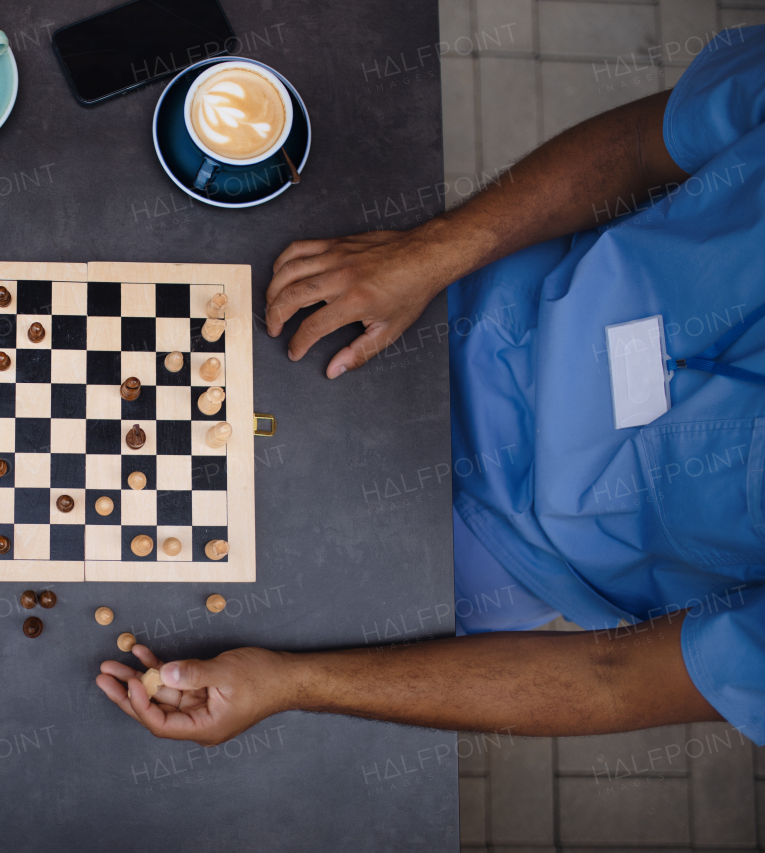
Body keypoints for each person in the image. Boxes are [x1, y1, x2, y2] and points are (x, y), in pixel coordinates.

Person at [97, 27, 765, 745]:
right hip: (458, 303)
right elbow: (643, 145)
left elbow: (614, 679)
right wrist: (434, 250)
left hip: (508, 553)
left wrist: (293, 681)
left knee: (186, 592)